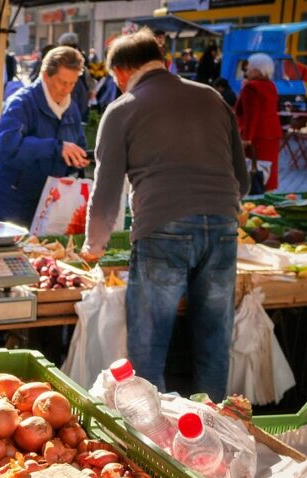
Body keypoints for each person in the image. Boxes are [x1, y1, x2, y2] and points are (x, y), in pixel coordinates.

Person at [83, 29, 249, 402]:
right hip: (223, 226)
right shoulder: (212, 98)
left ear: (122, 72)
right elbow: (243, 179)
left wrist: (93, 246)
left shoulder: (123, 108)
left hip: (163, 230)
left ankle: (152, 441)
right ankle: (215, 430)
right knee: (213, 339)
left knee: (149, 343)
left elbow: (106, 190)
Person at [0, 47, 89, 226]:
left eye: (72, 83)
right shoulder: (20, 104)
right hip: (7, 205)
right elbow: (8, 148)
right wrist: (56, 148)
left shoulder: (72, 110)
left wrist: (78, 159)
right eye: (62, 82)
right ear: (45, 75)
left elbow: (78, 144)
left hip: (46, 203)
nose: (66, 89)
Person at [235, 53, 282, 192]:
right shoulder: (271, 85)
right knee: (268, 173)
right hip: (271, 134)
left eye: (248, 68)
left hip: (256, 136)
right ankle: (267, 200)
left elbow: (251, 114)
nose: (246, 71)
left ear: (256, 70)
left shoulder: (251, 87)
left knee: (253, 173)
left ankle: (255, 203)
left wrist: (246, 138)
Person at [57, 31, 95, 126]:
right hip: (80, 88)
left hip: (72, 88)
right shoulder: (81, 56)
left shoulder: (62, 57)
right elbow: (89, 77)